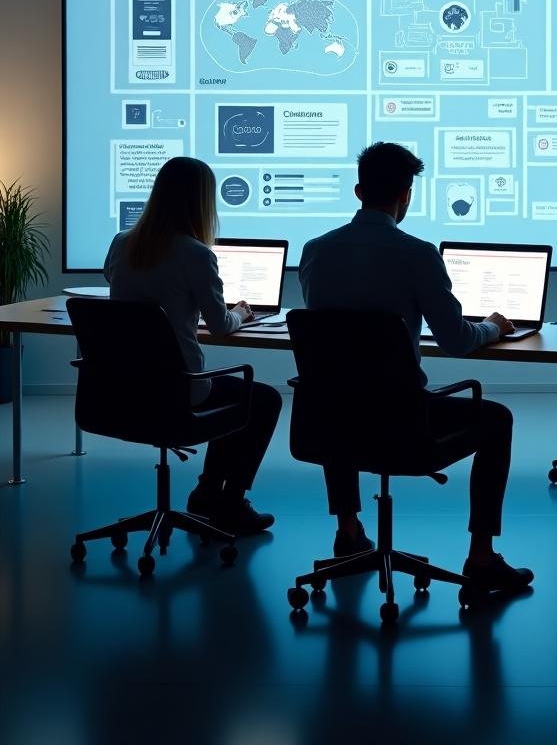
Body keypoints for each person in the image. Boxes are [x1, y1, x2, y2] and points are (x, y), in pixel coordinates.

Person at [298, 142, 533, 595]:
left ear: (358, 190)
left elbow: (336, 341)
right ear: (406, 196)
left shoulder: (315, 251)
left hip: (330, 422)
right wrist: (492, 326)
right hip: (404, 424)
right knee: (497, 419)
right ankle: (481, 559)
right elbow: (458, 341)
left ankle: (349, 530)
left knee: (338, 387)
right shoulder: (418, 254)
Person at [104, 157, 281, 536]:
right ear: (202, 202)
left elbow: (118, 288)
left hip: (123, 387)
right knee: (262, 398)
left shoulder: (121, 244)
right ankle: (228, 501)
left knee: (236, 396)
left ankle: (206, 493)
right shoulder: (196, 254)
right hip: (179, 389)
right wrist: (241, 311)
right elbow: (219, 326)